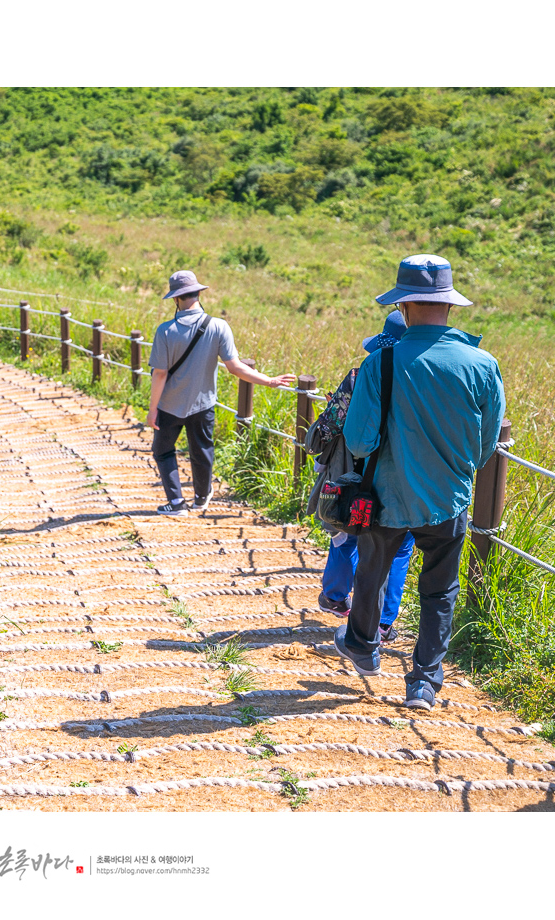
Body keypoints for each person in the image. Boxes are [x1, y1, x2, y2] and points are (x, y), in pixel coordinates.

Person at [334, 254, 505, 711]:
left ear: (404, 307)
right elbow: (487, 445)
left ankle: (364, 647)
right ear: (450, 306)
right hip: (449, 498)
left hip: (385, 497)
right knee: (440, 590)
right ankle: (424, 683)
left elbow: (360, 440)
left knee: (372, 571)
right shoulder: (483, 365)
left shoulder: (381, 364)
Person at [146, 270, 296, 517]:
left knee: (163, 451)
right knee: (202, 449)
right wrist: (269, 381)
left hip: (170, 405)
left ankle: (175, 503)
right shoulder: (218, 326)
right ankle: (201, 498)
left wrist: (153, 410)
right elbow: (236, 367)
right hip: (203, 404)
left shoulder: (165, 330)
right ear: (199, 293)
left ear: (175, 299)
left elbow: (159, 374)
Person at [306, 310, 414, 643]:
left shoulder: (358, 376)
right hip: (407, 479)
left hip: (357, 475)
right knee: (399, 548)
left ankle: (337, 596)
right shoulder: (423, 381)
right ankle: (383, 622)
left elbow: (325, 429)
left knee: (347, 531)